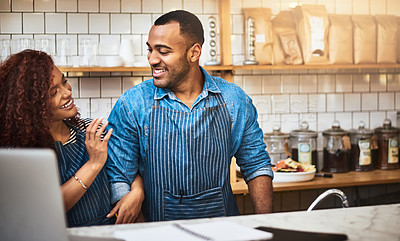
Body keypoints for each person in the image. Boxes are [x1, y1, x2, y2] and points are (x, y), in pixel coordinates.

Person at [107, 10, 273, 222]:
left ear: (194, 53)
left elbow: (256, 165)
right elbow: (119, 177)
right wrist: (145, 234)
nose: (152, 59)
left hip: (223, 230)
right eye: (150, 50)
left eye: (163, 52)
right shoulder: (132, 104)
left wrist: (267, 224)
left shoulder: (234, 100)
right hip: (157, 232)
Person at [0, 49, 144, 227]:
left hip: (107, 234)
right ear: (31, 104)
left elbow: (125, 166)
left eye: (64, 82)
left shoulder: (90, 129)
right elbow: (45, 208)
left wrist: (137, 191)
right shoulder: (18, 153)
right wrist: (93, 164)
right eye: (54, 92)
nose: (67, 92)